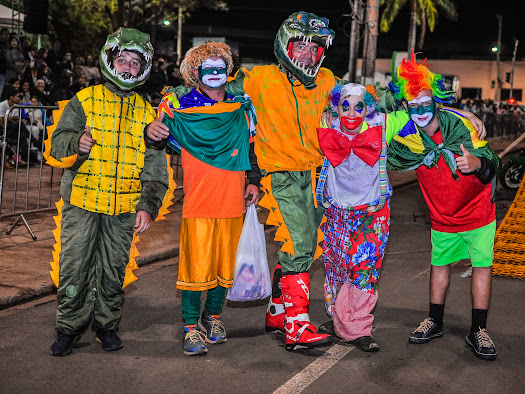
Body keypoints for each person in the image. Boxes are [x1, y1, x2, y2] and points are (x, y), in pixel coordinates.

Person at [46, 27, 170, 357]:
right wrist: (77, 144)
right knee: (74, 267)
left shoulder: (149, 113)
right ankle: (68, 328)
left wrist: (148, 205)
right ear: (110, 59)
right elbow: (58, 147)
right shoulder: (83, 101)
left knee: (114, 271)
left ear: (142, 68)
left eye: (135, 62)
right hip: (82, 203)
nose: (128, 67)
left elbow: (156, 169)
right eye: (123, 59)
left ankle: (106, 325)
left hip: (125, 208)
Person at [224, 11, 338, 351]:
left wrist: (457, 112)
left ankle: (276, 310)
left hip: (317, 176)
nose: (306, 54)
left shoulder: (329, 80)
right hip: (280, 174)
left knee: (303, 243)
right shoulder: (259, 78)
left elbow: (366, 105)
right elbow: (213, 91)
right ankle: (296, 326)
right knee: (300, 244)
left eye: (313, 48)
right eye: (299, 46)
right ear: (284, 45)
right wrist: (174, 101)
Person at [146, 42, 261, 356]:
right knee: (195, 266)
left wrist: (254, 181)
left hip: (233, 199)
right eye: (206, 68)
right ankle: (189, 328)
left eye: (219, 67)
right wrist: (150, 130)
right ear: (195, 73)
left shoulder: (241, 106)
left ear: (227, 71)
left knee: (225, 265)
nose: (214, 73)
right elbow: (158, 136)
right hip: (199, 200)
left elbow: (251, 149)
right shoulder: (179, 107)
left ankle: (213, 318)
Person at [387, 53, 500, 361]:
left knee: (481, 268)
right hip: (442, 217)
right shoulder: (405, 135)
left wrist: (477, 163)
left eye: (427, 104)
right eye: (414, 106)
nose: (421, 111)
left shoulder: (460, 126)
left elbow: (493, 166)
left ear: (435, 102)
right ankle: (434, 321)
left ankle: (479, 329)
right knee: (439, 268)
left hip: (478, 214)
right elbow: (375, 110)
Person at [315, 83, 400, 352]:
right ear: (335, 108)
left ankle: (359, 327)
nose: (352, 112)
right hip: (336, 210)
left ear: (369, 109)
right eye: (345, 106)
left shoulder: (384, 124)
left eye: (359, 106)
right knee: (337, 268)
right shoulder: (327, 124)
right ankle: (340, 319)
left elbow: (425, 115)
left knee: (364, 271)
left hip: (372, 212)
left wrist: (469, 115)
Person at [0, 86, 31, 165]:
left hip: (13, 128)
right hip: (3, 129)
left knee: (22, 135)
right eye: (17, 97)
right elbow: (1, 122)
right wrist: (12, 118)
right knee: (19, 124)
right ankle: (32, 139)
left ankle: (24, 159)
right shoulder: (2, 105)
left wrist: (10, 119)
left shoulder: (16, 106)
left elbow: (14, 120)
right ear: (11, 97)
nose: (19, 99)